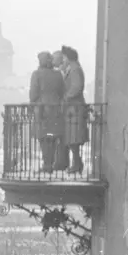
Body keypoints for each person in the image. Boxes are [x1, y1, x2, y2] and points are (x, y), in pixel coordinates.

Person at [29, 51, 65, 174]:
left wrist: (32, 105)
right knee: (52, 138)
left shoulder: (37, 74)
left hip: (42, 111)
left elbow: (33, 94)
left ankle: (47, 164)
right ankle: (51, 163)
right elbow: (62, 92)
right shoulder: (58, 74)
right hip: (56, 110)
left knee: (43, 138)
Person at [61, 45, 89, 174]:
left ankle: (77, 164)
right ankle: (77, 163)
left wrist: (66, 97)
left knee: (74, 139)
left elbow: (77, 87)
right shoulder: (72, 69)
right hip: (73, 109)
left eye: (64, 57)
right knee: (72, 138)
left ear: (68, 57)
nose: (63, 59)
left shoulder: (75, 69)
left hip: (75, 108)